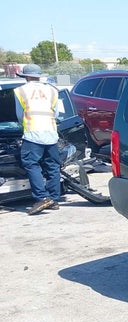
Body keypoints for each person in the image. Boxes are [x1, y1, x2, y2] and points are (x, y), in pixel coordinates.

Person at [14, 64, 61, 215]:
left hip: (33, 133)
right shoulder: (52, 90)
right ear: (39, 75)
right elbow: (57, 114)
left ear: (26, 76)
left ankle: (42, 198)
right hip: (51, 133)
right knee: (53, 166)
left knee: (31, 164)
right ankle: (53, 199)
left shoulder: (20, 91)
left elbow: (19, 114)